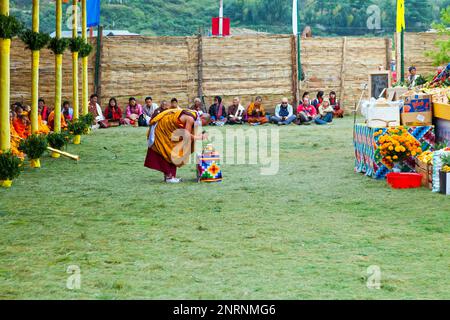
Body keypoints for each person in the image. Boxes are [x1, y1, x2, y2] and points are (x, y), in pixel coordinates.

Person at [144, 108, 210, 183]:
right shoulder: (190, 118)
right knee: (168, 151)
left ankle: (170, 176)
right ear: (202, 118)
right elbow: (186, 135)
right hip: (163, 129)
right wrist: (199, 137)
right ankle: (169, 177)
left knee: (173, 151)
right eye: (203, 124)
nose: (201, 125)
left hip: (169, 129)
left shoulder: (195, 114)